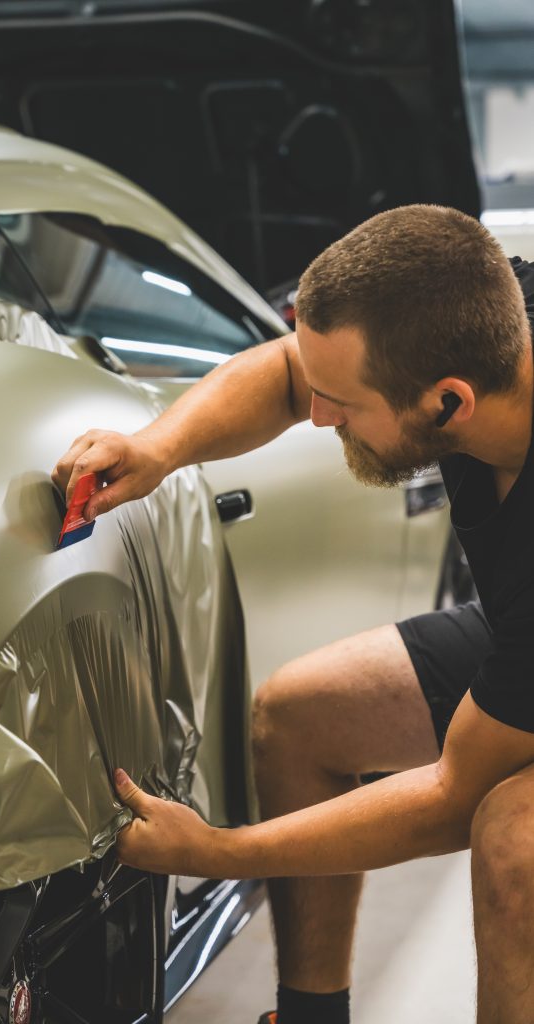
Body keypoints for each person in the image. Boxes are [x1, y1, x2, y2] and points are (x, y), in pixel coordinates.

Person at [52, 204, 534, 1024]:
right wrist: (159, 448)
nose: (316, 415)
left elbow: (454, 791)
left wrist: (219, 852)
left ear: (446, 403)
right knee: (302, 714)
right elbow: (286, 373)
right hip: (518, 625)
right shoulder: (487, 315)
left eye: (342, 401)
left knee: (509, 840)